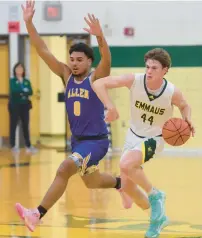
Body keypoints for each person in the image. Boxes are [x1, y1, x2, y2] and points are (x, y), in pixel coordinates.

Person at [15, 0, 133, 232]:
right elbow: (43, 50)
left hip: (96, 141)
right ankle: (122, 183)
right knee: (93, 182)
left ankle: (37, 214)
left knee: (64, 169)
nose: (75, 63)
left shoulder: (96, 78)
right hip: (78, 141)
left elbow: (106, 59)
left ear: (89, 61)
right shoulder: (66, 75)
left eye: (80, 60)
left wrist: (100, 37)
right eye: (72, 59)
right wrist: (28, 23)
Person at [93, 48, 195, 238]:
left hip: (154, 138)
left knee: (125, 164)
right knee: (128, 186)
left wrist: (187, 119)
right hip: (133, 136)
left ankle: (156, 194)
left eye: (154, 68)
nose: (149, 71)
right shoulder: (135, 80)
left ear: (165, 70)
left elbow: (184, 105)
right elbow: (99, 84)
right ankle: (157, 218)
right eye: (147, 66)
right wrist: (110, 106)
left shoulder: (172, 91)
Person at [8, 62, 38, 154]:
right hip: (15, 105)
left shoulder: (26, 81)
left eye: (21, 68)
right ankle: (13, 145)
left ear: (23, 70)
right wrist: (23, 92)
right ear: (15, 70)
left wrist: (22, 92)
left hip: (25, 105)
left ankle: (28, 145)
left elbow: (30, 91)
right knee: (13, 125)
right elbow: (14, 91)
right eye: (18, 68)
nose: (19, 70)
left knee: (26, 125)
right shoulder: (12, 81)